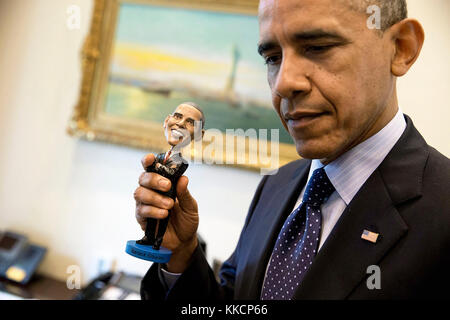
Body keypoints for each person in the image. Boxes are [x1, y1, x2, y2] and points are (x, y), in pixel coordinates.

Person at [134, 0, 450, 300]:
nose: (284, 83)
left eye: (318, 48)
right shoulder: (277, 184)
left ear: (401, 48)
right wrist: (180, 255)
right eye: (272, 57)